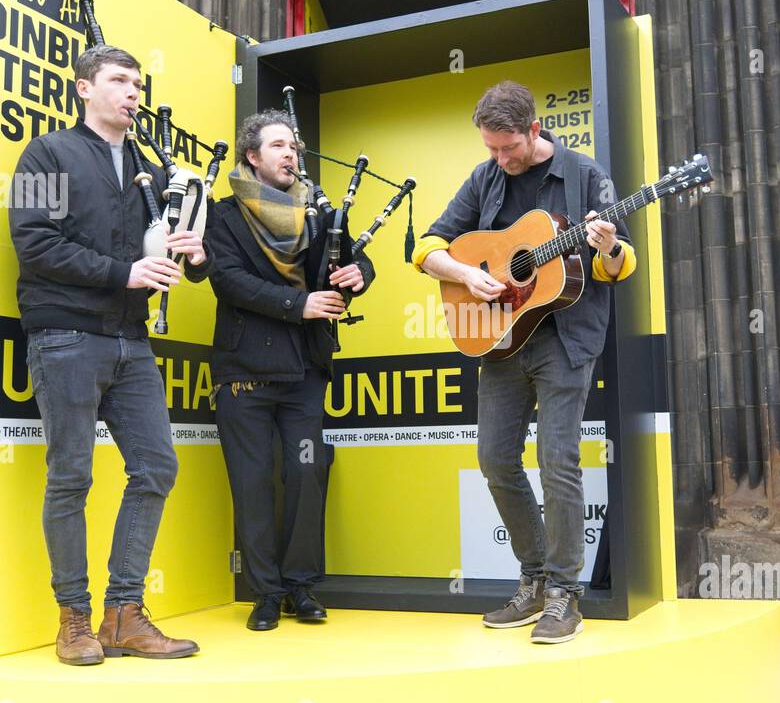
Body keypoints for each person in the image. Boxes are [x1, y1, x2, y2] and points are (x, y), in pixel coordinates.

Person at [413, 81, 636, 644]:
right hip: (502, 341)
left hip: (566, 340)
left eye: (507, 148)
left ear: (535, 131)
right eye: (490, 148)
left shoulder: (586, 176)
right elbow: (426, 247)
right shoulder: (484, 176)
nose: (498, 159)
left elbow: (623, 264)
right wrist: (466, 274)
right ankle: (533, 578)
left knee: (557, 460)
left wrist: (606, 245)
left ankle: (565, 594)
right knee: (494, 458)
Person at [9, 44, 206, 665]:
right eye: (119, 81)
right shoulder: (47, 152)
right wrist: (123, 272)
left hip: (131, 340)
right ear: (83, 88)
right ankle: (73, 619)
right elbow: (34, 242)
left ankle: (123, 615)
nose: (132, 93)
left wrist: (192, 255)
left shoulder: (151, 168)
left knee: (156, 468)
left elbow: (167, 257)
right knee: (72, 475)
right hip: (65, 334)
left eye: (137, 84)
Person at [205, 110, 375, 631]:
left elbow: (355, 259)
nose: (290, 155)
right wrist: (296, 305)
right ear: (252, 157)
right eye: (278, 146)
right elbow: (228, 281)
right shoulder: (222, 215)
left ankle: (301, 588)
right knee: (252, 482)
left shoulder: (318, 210)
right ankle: (264, 592)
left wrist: (359, 274)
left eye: (294, 148)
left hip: (304, 368)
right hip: (245, 373)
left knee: (305, 473)